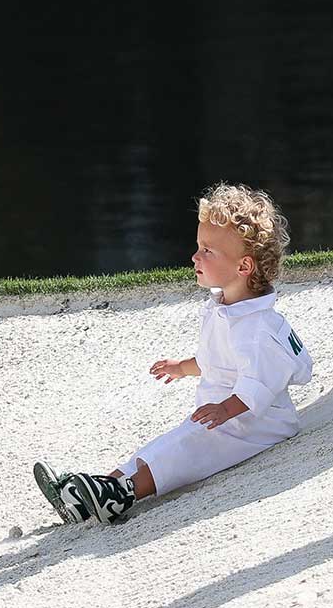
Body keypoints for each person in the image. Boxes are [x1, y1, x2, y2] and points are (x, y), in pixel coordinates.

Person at [32, 183, 313, 524]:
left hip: (254, 425)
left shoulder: (257, 329)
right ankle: (93, 491)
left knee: (183, 452)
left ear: (243, 267)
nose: (195, 257)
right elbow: (219, 362)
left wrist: (226, 408)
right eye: (198, 247)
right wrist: (184, 367)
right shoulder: (225, 307)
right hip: (221, 417)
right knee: (157, 449)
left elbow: (259, 384)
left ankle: (120, 495)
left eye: (208, 251)